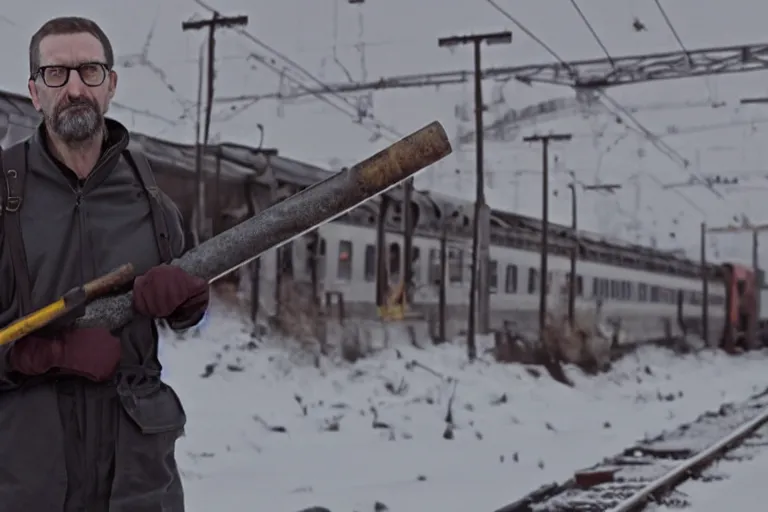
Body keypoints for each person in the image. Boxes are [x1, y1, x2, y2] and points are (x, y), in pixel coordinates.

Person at [0, 16, 210, 511]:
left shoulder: (151, 197)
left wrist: (189, 302)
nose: (75, 87)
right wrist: (46, 355)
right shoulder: (4, 193)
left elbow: (184, 313)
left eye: (90, 71)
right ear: (34, 92)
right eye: (56, 74)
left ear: (111, 85)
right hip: (27, 485)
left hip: (137, 486)